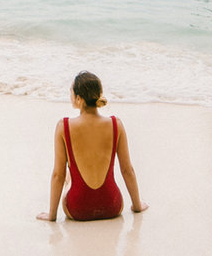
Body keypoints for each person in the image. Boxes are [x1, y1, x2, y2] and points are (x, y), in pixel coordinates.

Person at [37, 71, 148, 221]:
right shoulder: (116, 124)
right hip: (112, 205)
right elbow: (127, 170)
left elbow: (58, 175)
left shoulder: (63, 127)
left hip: (77, 209)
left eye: (71, 91)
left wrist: (52, 215)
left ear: (79, 98)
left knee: (69, 176)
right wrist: (137, 206)